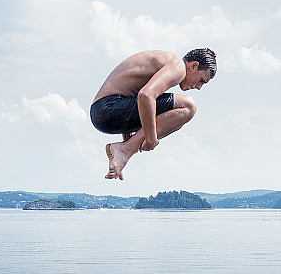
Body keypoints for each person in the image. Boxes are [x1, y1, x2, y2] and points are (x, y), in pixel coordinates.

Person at [90, 48, 217, 179]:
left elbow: (133, 96)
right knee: (188, 106)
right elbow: (146, 95)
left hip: (101, 113)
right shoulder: (178, 66)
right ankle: (124, 149)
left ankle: (124, 149)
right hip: (109, 108)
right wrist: (150, 138)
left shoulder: (164, 65)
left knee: (164, 113)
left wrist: (125, 147)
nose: (199, 87)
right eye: (201, 80)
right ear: (193, 66)